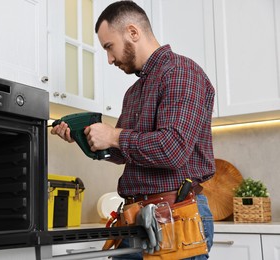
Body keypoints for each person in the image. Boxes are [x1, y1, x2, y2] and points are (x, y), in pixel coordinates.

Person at [51, 1, 215, 259]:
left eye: (109, 47)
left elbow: (172, 149)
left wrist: (113, 135)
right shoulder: (134, 92)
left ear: (133, 32)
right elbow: (123, 152)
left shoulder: (181, 72)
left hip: (174, 217)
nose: (109, 59)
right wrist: (84, 139)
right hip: (136, 218)